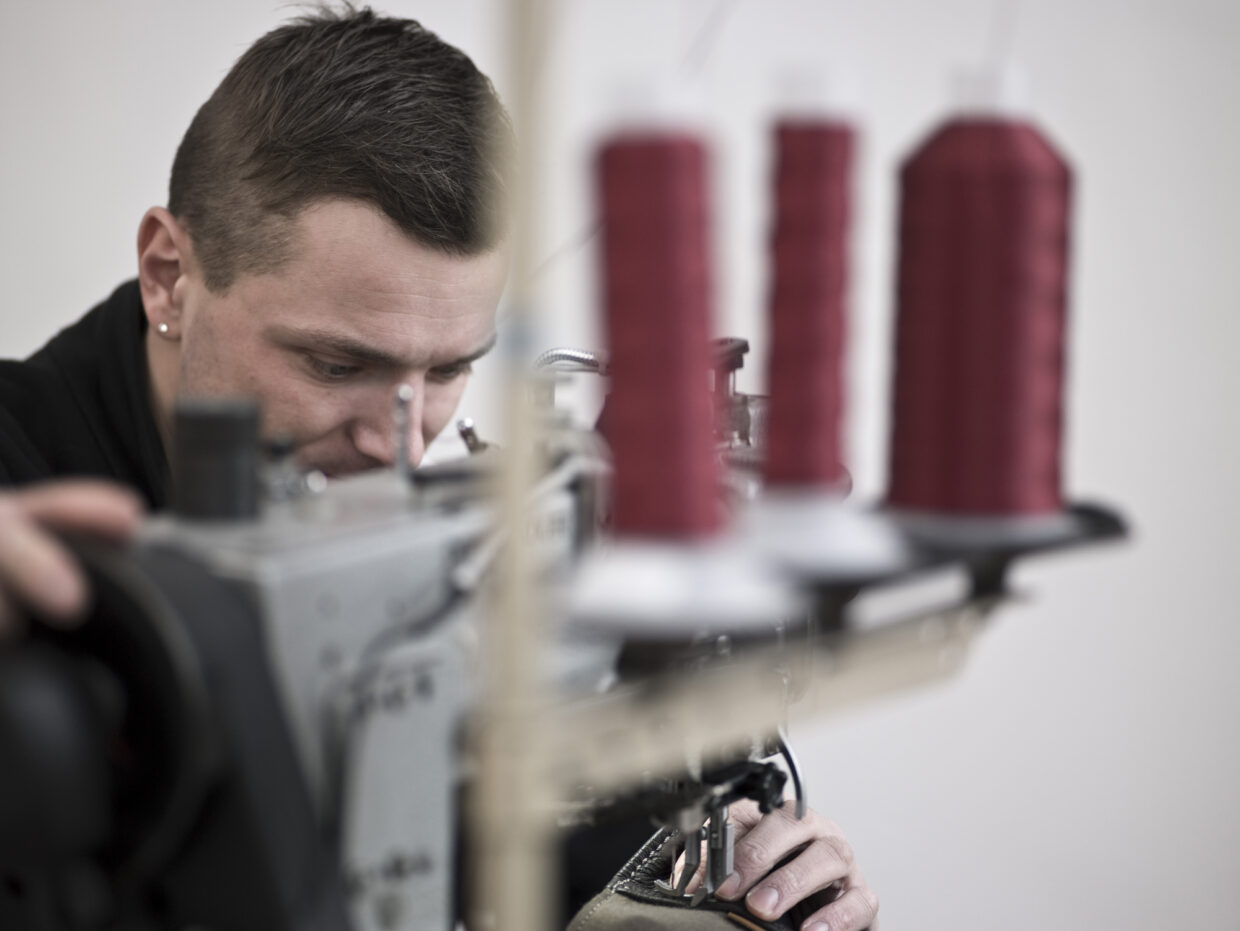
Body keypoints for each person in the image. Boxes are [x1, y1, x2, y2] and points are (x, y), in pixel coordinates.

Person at [0, 7, 877, 930]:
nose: (401, 445)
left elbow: (560, 836)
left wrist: (732, 876)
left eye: (451, 369)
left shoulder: (454, 547)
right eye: (335, 364)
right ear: (169, 275)